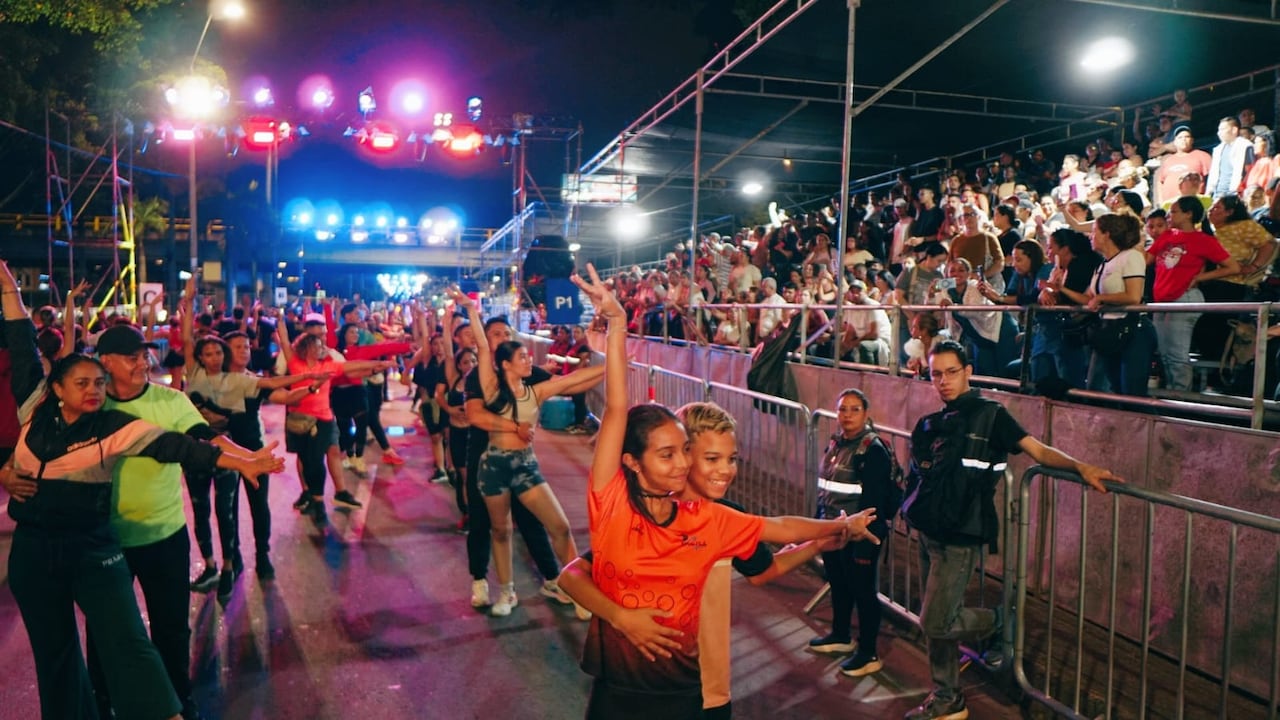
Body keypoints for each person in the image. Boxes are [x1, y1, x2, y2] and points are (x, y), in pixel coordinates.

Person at [562, 264, 877, 720]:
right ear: (631, 461)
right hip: (618, 696)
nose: (684, 464)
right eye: (668, 455)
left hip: (689, 694)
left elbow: (778, 529)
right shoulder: (611, 507)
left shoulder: (710, 519)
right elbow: (615, 406)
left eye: (685, 453)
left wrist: (839, 527)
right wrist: (617, 325)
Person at [0, 263, 283, 720]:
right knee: (85, 644)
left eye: (142, 354)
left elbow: (188, 444)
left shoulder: (137, 413)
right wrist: (6, 472)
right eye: (128, 357)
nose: (141, 361)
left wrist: (245, 459)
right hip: (75, 544)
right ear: (94, 369)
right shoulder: (66, 403)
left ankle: (176, 706)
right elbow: (22, 353)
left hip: (137, 539)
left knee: (153, 634)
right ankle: (102, 704)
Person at [902, 340, 1120, 720]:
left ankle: (999, 621)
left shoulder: (992, 415)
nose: (943, 381)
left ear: (969, 372)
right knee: (938, 625)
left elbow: (1037, 451)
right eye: (936, 374)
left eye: (952, 372)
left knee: (935, 620)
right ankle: (947, 696)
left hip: (962, 534)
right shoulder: (932, 422)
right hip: (929, 530)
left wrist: (1081, 467)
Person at [453, 290, 605, 617]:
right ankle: (505, 592)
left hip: (526, 467)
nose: (529, 360)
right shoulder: (488, 385)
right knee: (500, 530)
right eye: (522, 356)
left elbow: (574, 381)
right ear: (506, 363)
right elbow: (480, 349)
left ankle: (576, 588)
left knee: (559, 526)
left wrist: (616, 364)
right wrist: (470, 310)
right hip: (492, 465)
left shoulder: (536, 387)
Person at [808, 388, 898, 678]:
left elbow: (875, 502)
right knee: (839, 584)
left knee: (863, 592)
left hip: (860, 536)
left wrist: (864, 541)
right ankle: (840, 635)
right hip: (834, 530)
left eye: (854, 409)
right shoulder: (836, 444)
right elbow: (826, 490)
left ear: (866, 414)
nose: (847, 415)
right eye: (842, 409)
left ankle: (868, 652)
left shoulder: (872, 450)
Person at [1149, 198, 1239, 390]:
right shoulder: (1166, 236)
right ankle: (1173, 394)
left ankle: (1180, 398)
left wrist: (1201, 277)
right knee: (1164, 352)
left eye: (1174, 212)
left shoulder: (1203, 240)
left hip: (1183, 298)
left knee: (1176, 354)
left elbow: (1232, 266)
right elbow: (1145, 259)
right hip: (1162, 299)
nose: (1169, 216)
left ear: (1188, 214)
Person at [1084, 214, 1158, 396]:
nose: (1091, 236)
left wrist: (1102, 298)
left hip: (1133, 330)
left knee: (1132, 392)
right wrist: (1057, 289)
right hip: (1109, 330)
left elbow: (1134, 296)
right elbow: (1088, 297)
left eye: (1094, 232)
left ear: (1107, 234)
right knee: (1111, 388)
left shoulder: (1130, 256)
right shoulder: (1102, 265)